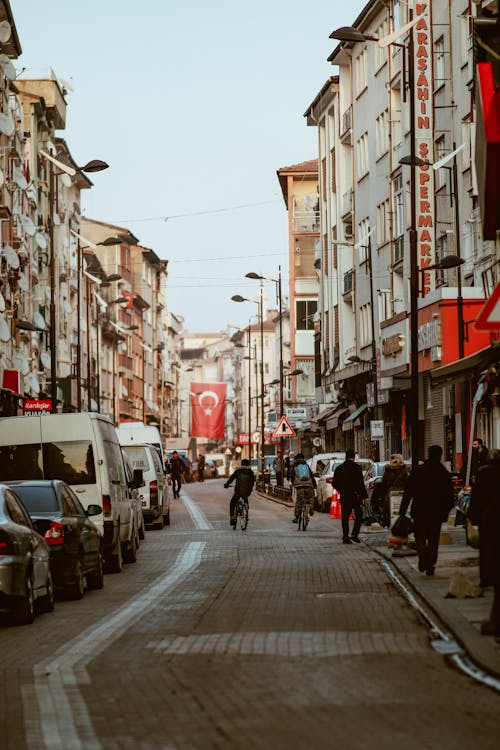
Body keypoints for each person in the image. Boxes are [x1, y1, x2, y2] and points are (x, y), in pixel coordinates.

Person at [399, 445, 454, 576]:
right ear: (440, 455)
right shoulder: (443, 472)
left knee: (420, 536)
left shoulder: (418, 470)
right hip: (436, 513)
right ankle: (431, 564)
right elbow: (450, 496)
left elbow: (408, 492)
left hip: (419, 511)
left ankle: (423, 556)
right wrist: (446, 512)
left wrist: (403, 510)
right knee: (434, 540)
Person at [469, 449, 500, 640]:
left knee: (487, 552)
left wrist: (472, 517)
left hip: (490, 521)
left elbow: (477, 497)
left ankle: (486, 578)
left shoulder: (483, 472)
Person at [332, 448, 368, 544]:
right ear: (354, 457)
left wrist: (342, 489)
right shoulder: (357, 468)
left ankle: (345, 537)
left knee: (345, 517)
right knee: (359, 515)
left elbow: (334, 483)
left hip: (345, 496)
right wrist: (365, 496)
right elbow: (361, 484)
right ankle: (354, 535)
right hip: (355, 496)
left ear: (346, 457)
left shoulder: (339, 468)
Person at [375, 454, 409, 527]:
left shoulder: (388, 470)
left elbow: (383, 483)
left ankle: (390, 524)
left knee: (390, 512)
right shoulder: (404, 470)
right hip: (401, 495)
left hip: (391, 495)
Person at [224, 458, 255, 528]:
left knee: (232, 502)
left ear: (241, 464)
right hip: (247, 491)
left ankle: (232, 517)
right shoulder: (251, 472)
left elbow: (231, 479)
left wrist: (226, 484)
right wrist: (250, 489)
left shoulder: (238, 471)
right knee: (245, 498)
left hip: (238, 491)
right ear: (248, 465)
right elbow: (252, 482)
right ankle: (246, 509)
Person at [290, 452, 316, 522]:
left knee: (299, 501)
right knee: (310, 497)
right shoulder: (306, 465)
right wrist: (314, 485)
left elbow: (292, 476)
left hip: (299, 486)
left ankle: (297, 517)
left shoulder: (294, 465)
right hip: (309, 485)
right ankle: (311, 508)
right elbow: (311, 476)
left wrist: (293, 483)